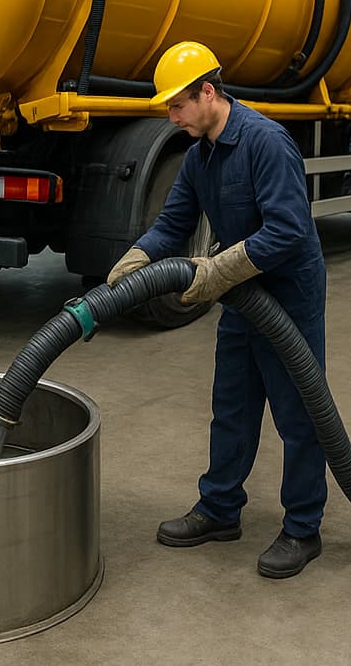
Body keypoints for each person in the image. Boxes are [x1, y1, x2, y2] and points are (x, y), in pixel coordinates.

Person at [108, 40, 328, 579]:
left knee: (298, 415)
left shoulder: (265, 143)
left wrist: (213, 273)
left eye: (178, 105)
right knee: (232, 406)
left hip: (288, 296)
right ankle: (220, 509)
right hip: (241, 297)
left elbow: (286, 230)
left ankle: (303, 529)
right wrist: (136, 259)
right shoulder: (199, 156)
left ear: (209, 92)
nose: (171, 115)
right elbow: (173, 223)